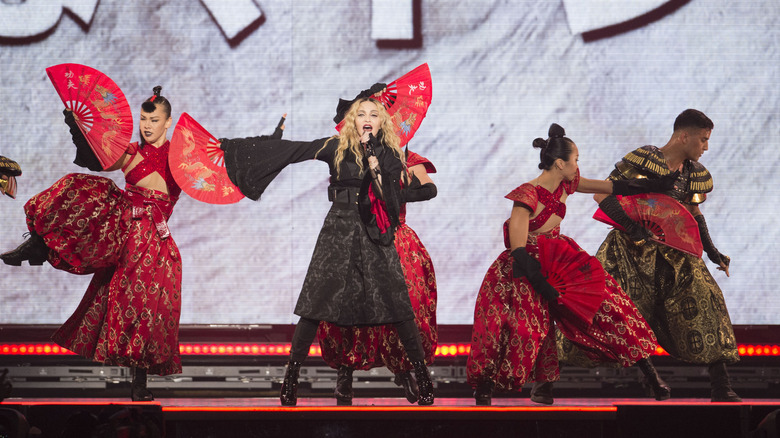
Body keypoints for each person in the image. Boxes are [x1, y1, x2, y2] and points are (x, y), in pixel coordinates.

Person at [219, 86, 435, 406]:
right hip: (339, 227)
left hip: (375, 229)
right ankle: (291, 379)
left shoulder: (390, 154)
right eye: (360, 113)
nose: (367, 118)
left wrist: (384, 173)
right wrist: (235, 147)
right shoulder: (336, 146)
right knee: (315, 304)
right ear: (351, 120)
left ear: (382, 122)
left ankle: (423, 378)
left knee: (397, 303)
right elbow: (291, 150)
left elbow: (407, 193)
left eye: (373, 114)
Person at [467, 123, 674, 406]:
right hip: (524, 269)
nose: (578, 165)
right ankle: (486, 387)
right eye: (576, 159)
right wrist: (543, 285)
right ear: (560, 163)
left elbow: (611, 187)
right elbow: (518, 250)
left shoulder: (568, 184)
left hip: (559, 258)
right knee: (517, 328)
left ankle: (652, 377)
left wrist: (655, 186)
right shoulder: (526, 196)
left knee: (609, 305)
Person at [0, 87, 182, 401]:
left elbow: (216, 168)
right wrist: (76, 126)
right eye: (143, 119)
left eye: (154, 120)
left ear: (168, 122)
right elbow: (95, 160)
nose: (147, 125)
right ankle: (38, 245)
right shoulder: (131, 152)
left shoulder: (179, 159)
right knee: (81, 187)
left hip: (154, 241)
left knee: (145, 311)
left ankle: (139, 384)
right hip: (121, 231)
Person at [591, 109, 741, 402]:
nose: (706, 147)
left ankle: (721, 384)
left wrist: (712, 251)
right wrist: (631, 227)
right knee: (602, 308)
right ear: (684, 136)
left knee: (707, 300)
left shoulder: (693, 172)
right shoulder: (645, 159)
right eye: (703, 139)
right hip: (628, 250)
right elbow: (602, 195)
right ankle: (548, 382)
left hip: (675, 253)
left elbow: (693, 213)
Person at [317, 148, 438, 405]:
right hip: (357, 236)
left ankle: (407, 370)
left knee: (408, 304)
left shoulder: (406, 159)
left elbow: (430, 189)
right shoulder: (350, 156)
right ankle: (345, 376)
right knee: (350, 303)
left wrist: (396, 193)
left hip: (395, 236)